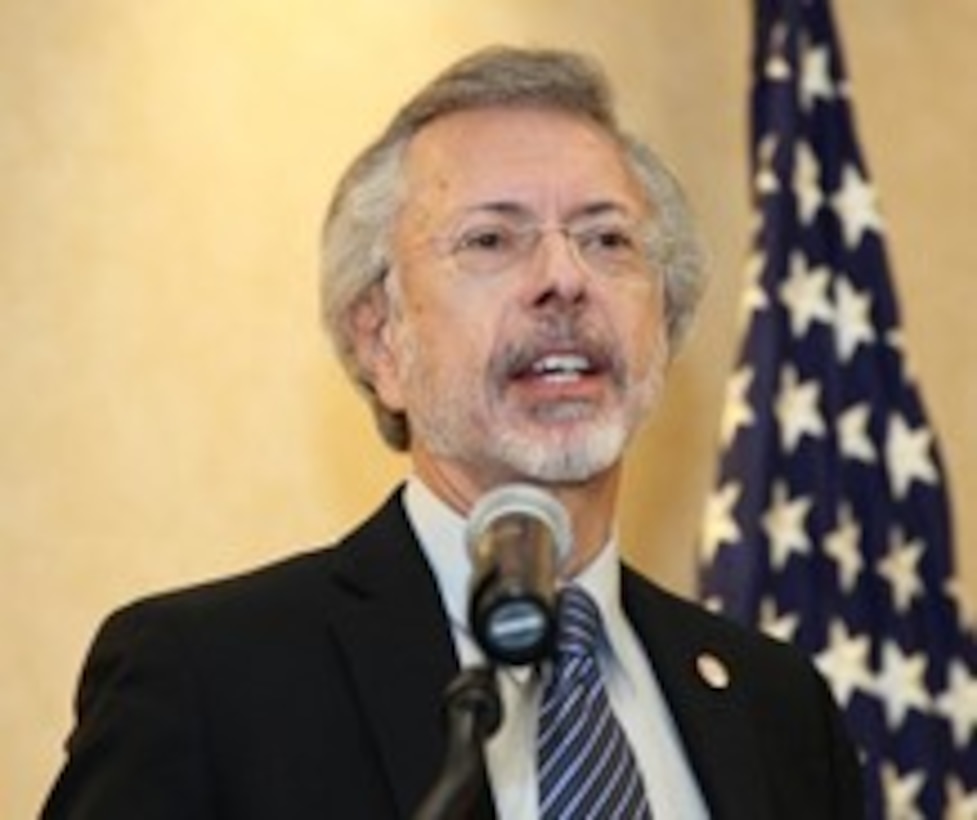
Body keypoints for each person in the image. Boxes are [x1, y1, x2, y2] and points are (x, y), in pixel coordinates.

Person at [42, 46, 864, 819]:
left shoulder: (776, 704)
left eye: (606, 239)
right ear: (380, 340)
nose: (563, 280)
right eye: (490, 240)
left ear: (665, 323)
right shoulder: (209, 679)